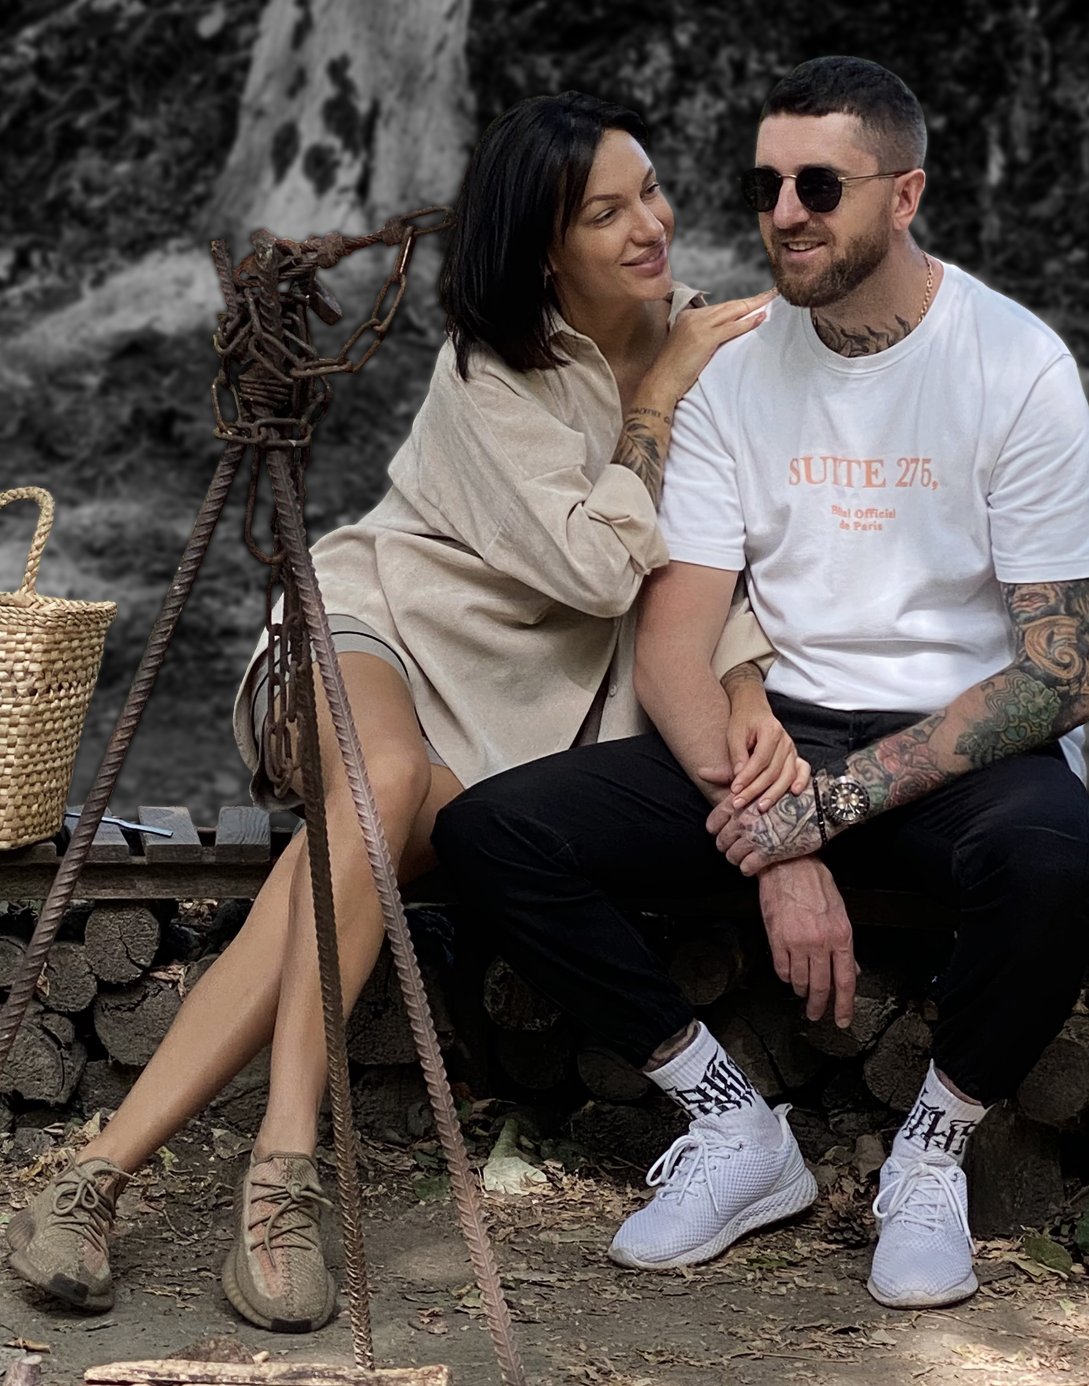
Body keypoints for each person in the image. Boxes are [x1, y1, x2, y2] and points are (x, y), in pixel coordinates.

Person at [5, 92, 789, 1331]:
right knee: (377, 780)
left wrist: (741, 679)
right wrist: (654, 402)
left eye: (649, 189)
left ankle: (92, 1176)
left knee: (358, 839)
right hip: (372, 627)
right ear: (544, 249)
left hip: (505, 726)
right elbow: (598, 568)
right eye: (606, 211)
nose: (651, 223)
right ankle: (284, 1173)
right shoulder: (492, 369)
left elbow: (713, 564)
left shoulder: (717, 349)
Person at [432, 56, 1089, 1309]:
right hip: (777, 735)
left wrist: (822, 813)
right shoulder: (734, 370)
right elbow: (672, 643)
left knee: (1053, 868)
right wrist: (775, 834)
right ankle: (734, 1127)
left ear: (903, 194)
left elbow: (1057, 678)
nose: (784, 213)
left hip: (962, 747)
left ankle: (930, 1152)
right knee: (493, 832)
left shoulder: (1014, 366)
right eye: (765, 185)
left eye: (818, 185)